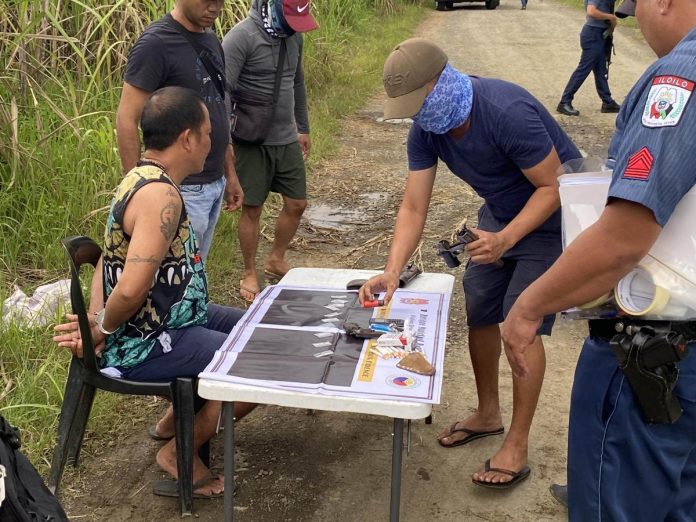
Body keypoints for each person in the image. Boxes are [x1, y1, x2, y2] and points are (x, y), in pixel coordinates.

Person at [359, 38, 582, 488]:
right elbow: (413, 208)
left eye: (415, 102)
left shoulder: (504, 111)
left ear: (438, 82)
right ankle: (487, 413)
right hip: (499, 216)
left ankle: (516, 444)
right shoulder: (428, 128)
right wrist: (391, 270)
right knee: (480, 306)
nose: (414, 115)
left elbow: (554, 186)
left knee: (520, 327)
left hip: (554, 216)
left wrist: (505, 240)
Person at [503, 0, 696, 516]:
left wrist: (527, 308)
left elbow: (624, 237)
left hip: (656, 348)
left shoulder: (680, 76)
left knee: (616, 501)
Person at [54, 87, 256, 498]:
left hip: (177, 319)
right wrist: (103, 329)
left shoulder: (139, 176)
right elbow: (130, 288)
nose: (210, 144)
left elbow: (105, 261)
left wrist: (95, 318)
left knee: (262, 329)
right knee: (257, 365)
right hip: (147, 341)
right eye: (207, 134)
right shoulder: (159, 195)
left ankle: (175, 421)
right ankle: (177, 450)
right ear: (187, 138)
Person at [116, 0, 244, 261]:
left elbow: (219, 108)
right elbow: (127, 118)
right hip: (178, 189)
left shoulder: (210, 39)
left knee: (193, 272)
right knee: (169, 278)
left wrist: (229, 174)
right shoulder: (155, 44)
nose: (215, 7)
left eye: (220, 1)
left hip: (213, 183)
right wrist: (139, 190)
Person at [222, 0, 318, 302]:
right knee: (252, 208)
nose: (293, 25)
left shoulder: (294, 36)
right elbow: (222, 91)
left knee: (297, 203)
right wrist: (225, 142)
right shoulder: (241, 37)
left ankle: (276, 259)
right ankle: (250, 271)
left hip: (286, 137)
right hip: (251, 140)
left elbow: (298, 82)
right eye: (289, 18)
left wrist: (303, 127)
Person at [556, 0, 621, 116]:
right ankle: (564, 101)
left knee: (601, 69)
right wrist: (610, 17)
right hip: (593, 34)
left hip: (600, 33)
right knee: (584, 69)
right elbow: (591, 12)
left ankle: (607, 102)